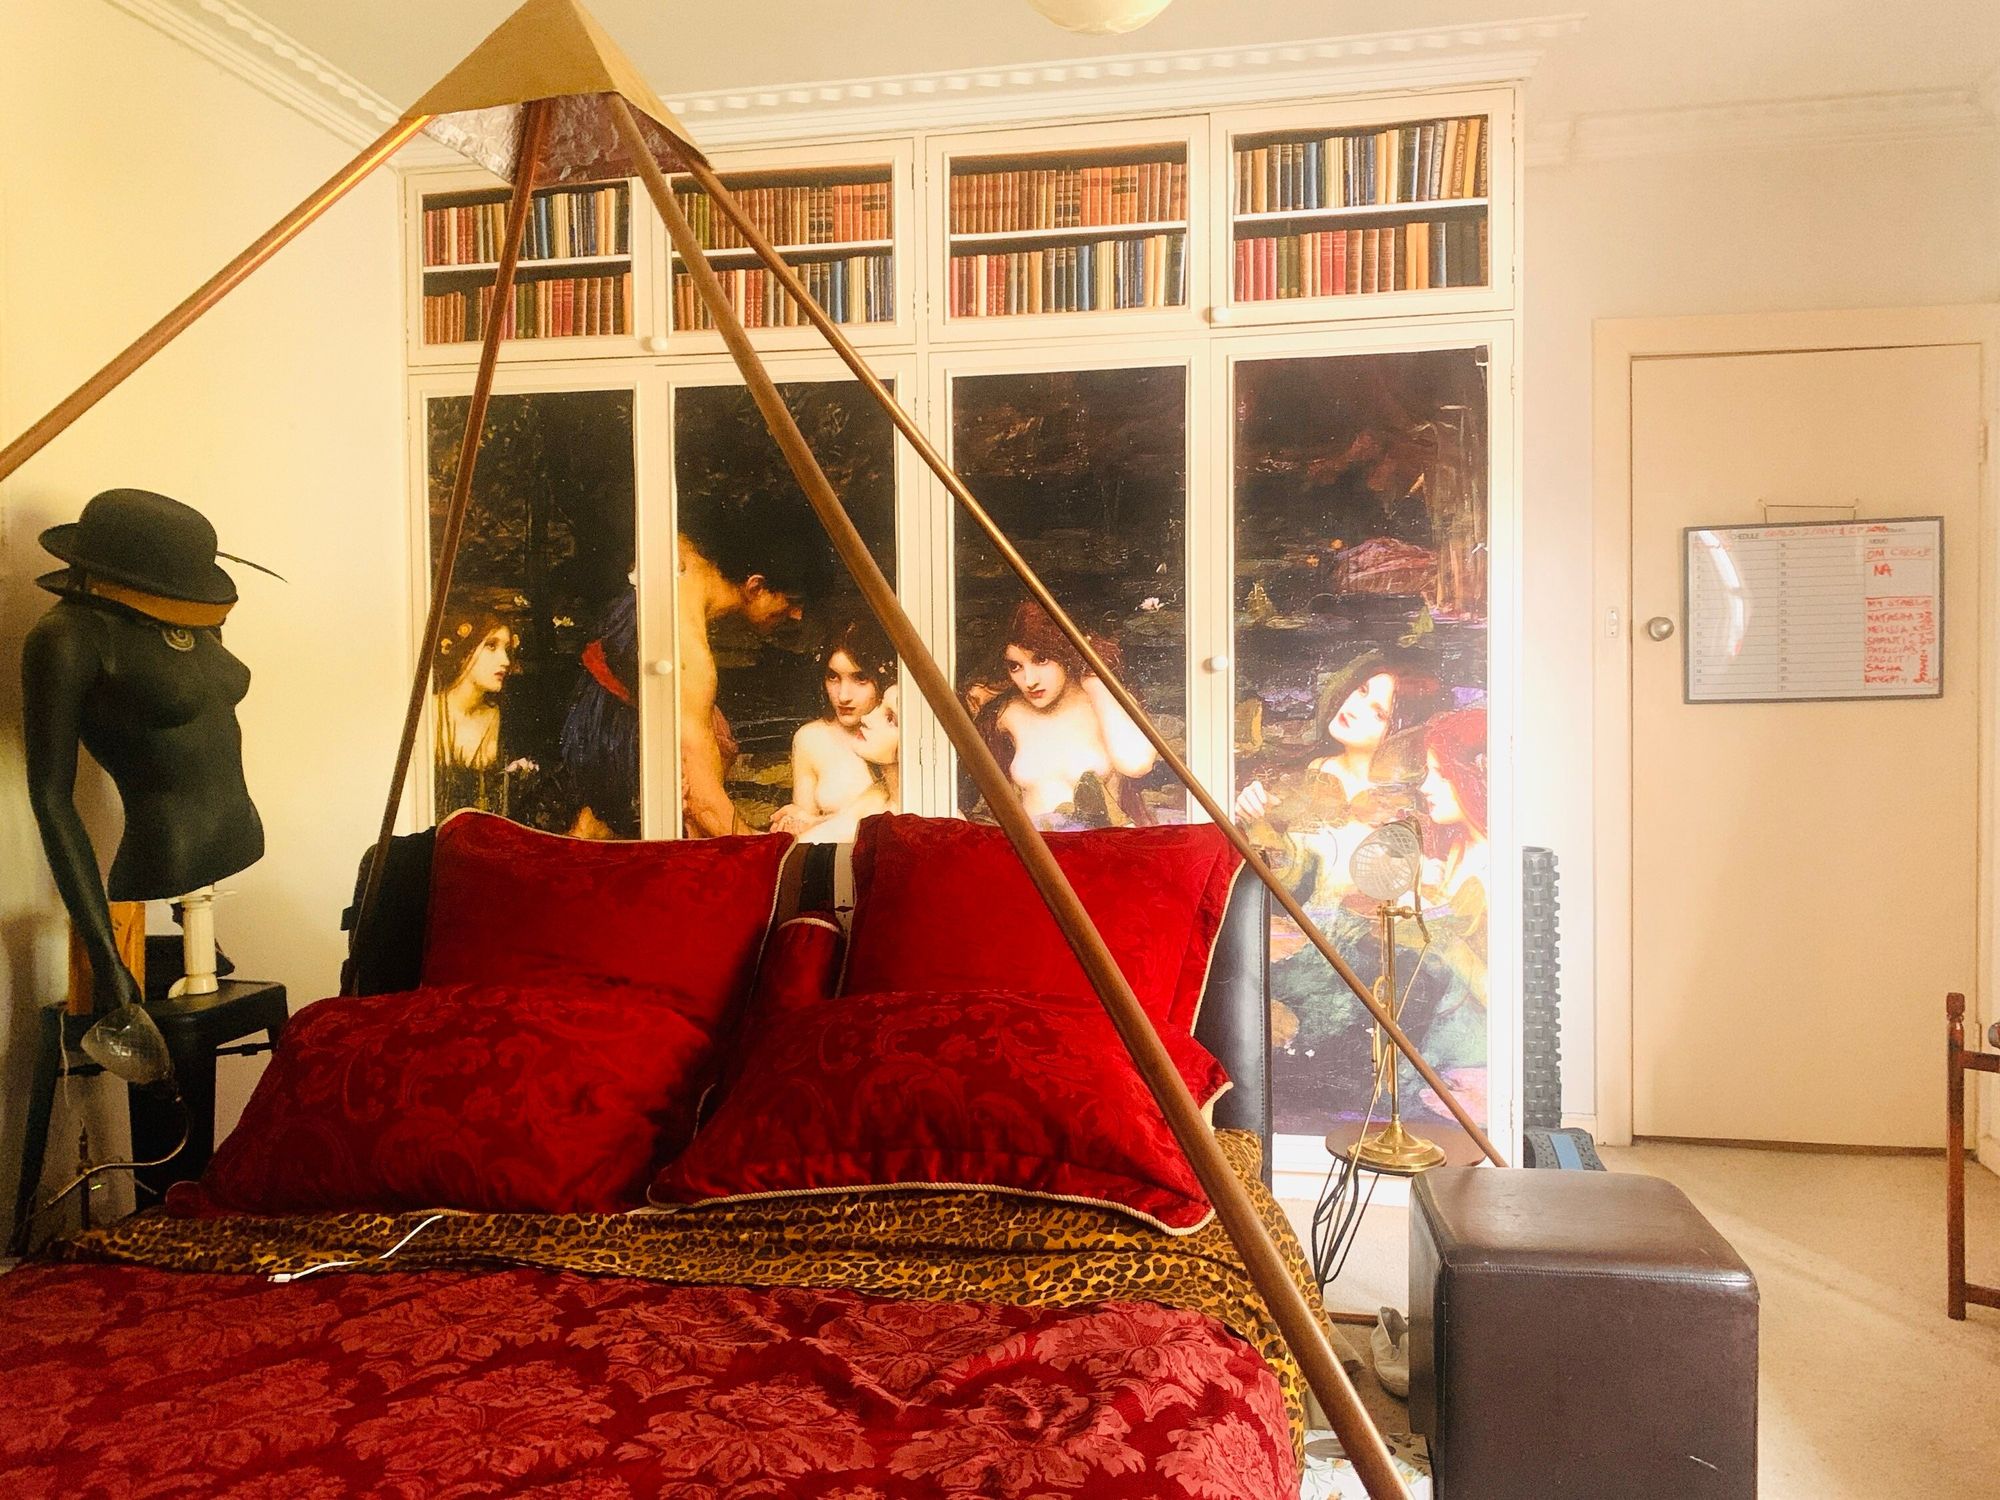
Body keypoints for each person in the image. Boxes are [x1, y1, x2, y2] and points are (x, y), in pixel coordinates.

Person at [23, 489, 271, 1014]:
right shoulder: (68, 637)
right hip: (164, 852)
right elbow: (51, 796)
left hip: (240, 831)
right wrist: (105, 955)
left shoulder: (191, 616)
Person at [677, 495, 833, 838]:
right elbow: (703, 801)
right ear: (756, 587)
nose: (797, 615)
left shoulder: (687, 561)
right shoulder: (689, 653)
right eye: (791, 601)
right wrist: (765, 850)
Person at [966, 600, 1158, 829]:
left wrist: (1094, 682)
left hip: (1099, 845)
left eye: (1041, 659)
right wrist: (985, 694)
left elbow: (1138, 764)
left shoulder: (1104, 702)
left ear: (1065, 652)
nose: (1029, 680)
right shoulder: (1010, 711)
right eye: (1015, 666)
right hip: (1036, 848)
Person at [771, 619, 900, 843]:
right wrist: (799, 822)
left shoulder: (899, 734)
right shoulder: (810, 739)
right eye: (833, 677)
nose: (843, 696)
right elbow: (810, 835)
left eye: (860, 678)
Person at [433, 607, 536, 818]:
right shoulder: (431, 713)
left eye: (506, 649)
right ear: (464, 653)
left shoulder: (501, 717)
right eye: (491, 646)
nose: (505, 661)